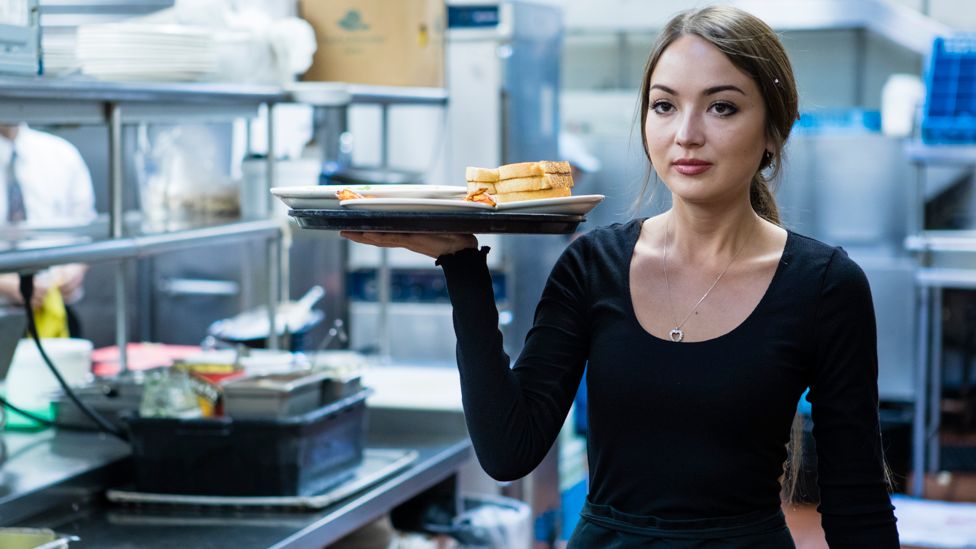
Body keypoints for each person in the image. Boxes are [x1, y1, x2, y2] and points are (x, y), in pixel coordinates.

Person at [342, 6, 898, 547]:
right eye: (664, 106)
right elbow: (509, 449)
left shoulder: (824, 285)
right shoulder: (594, 267)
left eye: (722, 108)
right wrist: (461, 263)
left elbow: (858, 505)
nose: (686, 134)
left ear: (774, 129)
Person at [0, 124, 97, 337]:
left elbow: (89, 233)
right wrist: (4, 283)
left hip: (57, 316)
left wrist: (74, 270)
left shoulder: (61, 154)